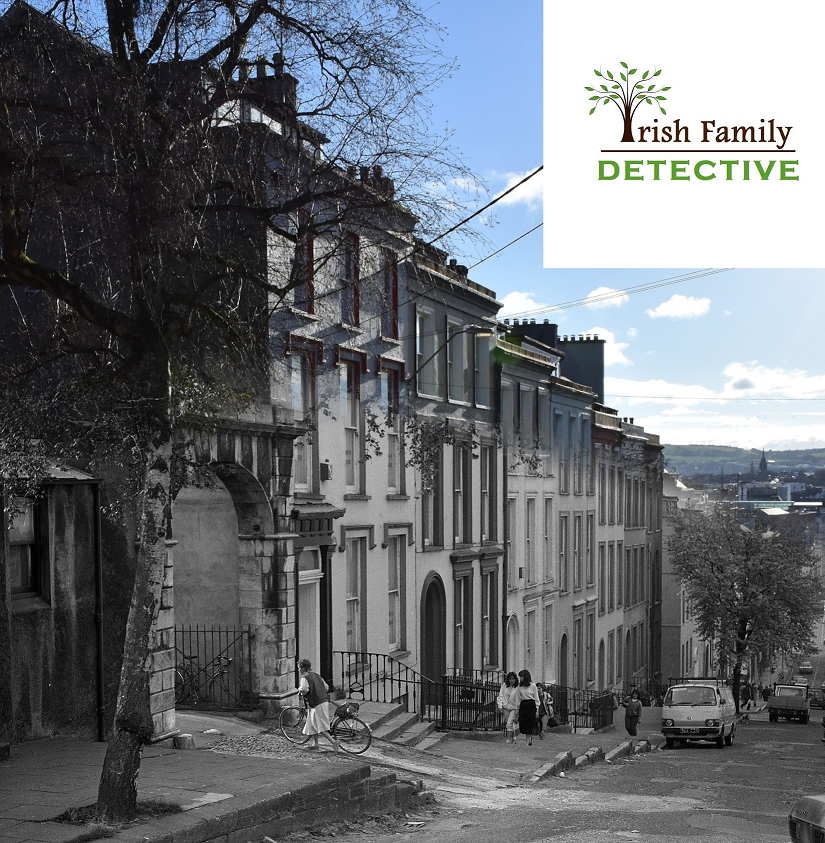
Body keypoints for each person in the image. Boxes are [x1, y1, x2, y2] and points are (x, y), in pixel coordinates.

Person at [297, 658, 339, 753]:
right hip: (322, 701)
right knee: (313, 723)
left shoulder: (305, 677)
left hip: (316, 703)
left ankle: (334, 742)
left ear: (303, 668)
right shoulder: (317, 675)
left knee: (320, 725)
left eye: (299, 668)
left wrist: (300, 692)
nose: (298, 670)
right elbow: (326, 687)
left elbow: (304, 689)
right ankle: (315, 744)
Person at [517, 669, 541, 746]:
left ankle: (528, 740)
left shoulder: (532, 686)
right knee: (523, 723)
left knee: (529, 723)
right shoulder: (519, 686)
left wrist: (537, 709)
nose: (520, 679)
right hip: (523, 705)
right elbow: (518, 697)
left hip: (531, 704)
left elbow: (536, 698)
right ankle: (528, 738)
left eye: (521, 677)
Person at [497, 671, 520, 744]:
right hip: (505, 707)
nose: (511, 680)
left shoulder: (517, 687)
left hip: (513, 707)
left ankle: (508, 739)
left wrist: (517, 709)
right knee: (508, 723)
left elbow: (518, 698)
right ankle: (513, 737)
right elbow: (501, 695)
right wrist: (500, 706)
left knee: (510, 723)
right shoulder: (504, 686)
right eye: (510, 679)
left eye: (513, 679)